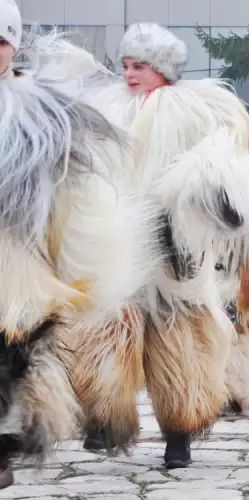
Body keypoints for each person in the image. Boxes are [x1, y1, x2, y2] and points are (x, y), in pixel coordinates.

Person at [60, 22, 249, 469]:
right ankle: (106, 419)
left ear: (163, 69)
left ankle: (179, 435)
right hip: (120, 241)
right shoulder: (107, 105)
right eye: (127, 64)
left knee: (178, 341)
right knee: (106, 331)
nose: (130, 73)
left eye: (141, 66)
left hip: (176, 246)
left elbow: (224, 161)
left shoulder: (196, 109)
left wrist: (201, 197)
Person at [0, 1, 162, 489]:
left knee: (15, 352)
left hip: (18, 260)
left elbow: (74, 187)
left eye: (0, 42)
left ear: (13, 45)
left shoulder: (40, 111)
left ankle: (6, 443)